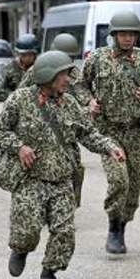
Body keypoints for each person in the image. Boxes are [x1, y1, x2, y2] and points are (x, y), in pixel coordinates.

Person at [0, 50, 125, 279]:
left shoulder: (70, 104)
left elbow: (87, 134)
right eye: (64, 74)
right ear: (48, 76)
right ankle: (21, 249)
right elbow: (0, 130)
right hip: (30, 179)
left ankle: (49, 275)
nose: (68, 79)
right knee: (28, 231)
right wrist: (19, 147)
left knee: (64, 231)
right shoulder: (19, 100)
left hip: (63, 179)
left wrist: (110, 147)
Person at [81, 10, 140, 254]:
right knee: (119, 179)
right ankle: (113, 226)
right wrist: (88, 101)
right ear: (114, 35)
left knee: (133, 187)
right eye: (123, 34)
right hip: (108, 132)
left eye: (132, 34)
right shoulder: (98, 59)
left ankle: (123, 225)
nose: (127, 38)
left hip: (136, 132)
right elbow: (79, 83)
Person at [19, 33, 92, 208]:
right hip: (40, 123)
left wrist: (89, 105)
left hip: (66, 123)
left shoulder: (75, 73)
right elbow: (21, 95)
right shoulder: (36, 70)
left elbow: (82, 95)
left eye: (71, 58)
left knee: (74, 165)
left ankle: (68, 205)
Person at [0, 34, 38, 101]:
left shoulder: (40, 66)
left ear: (35, 54)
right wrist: (16, 97)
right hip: (14, 105)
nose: (27, 58)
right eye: (23, 55)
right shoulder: (8, 67)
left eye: (30, 54)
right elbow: (0, 91)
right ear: (18, 54)